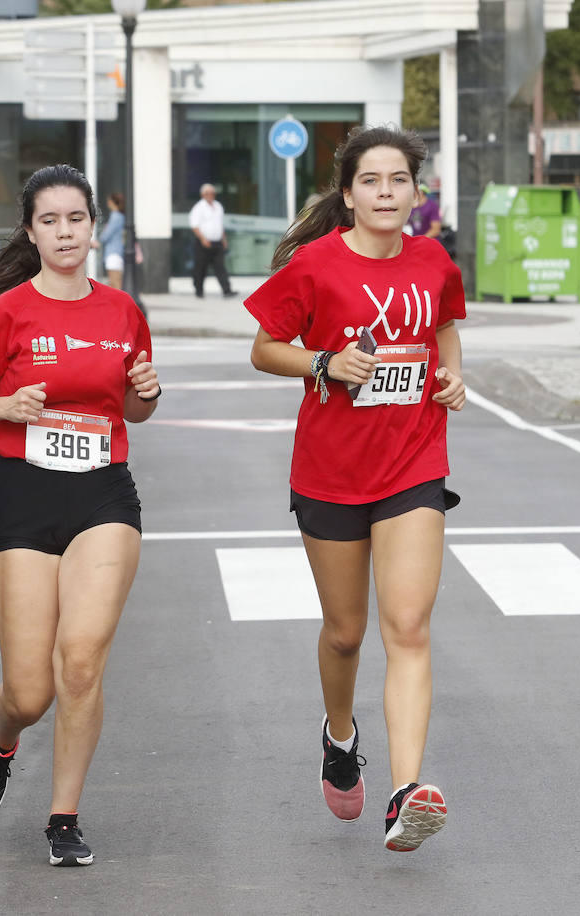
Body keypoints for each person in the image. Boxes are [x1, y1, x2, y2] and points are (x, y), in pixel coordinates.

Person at [245, 125, 466, 853]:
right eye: (371, 181)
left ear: (415, 191)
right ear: (347, 194)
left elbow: (442, 330)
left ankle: (406, 791)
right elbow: (264, 348)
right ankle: (339, 737)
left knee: (409, 627)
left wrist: (452, 375)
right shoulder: (315, 266)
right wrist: (322, 364)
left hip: (413, 466)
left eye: (398, 180)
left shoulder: (434, 260)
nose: (385, 193)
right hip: (331, 473)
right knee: (345, 632)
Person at [0, 164, 160, 867]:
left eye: (76, 219)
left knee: (82, 662)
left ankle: (63, 818)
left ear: (93, 226)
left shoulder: (123, 311)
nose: (65, 232)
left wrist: (146, 392)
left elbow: (133, 407)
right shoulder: (8, 312)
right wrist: (2, 407)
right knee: (31, 691)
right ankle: (2, 735)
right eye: (50, 221)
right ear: (31, 232)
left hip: (102, 495)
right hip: (25, 495)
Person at [189, 182, 236, 298]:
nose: (211, 195)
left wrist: (224, 239)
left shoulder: (218, 206)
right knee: (201, 268)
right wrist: (203, 239)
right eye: (208, 193)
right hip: (203, 242)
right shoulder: (198, 208)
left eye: (212, 193)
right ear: (203, 194)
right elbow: (195, 226)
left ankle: (227, 290)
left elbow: (220, 224)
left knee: (220, 267)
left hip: (217, 242)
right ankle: (199, 291)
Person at [94, 192, 126, 288]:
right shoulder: (120, 216)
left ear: (113, 202)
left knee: (115, 284)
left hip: (113, 254)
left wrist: (99, 241)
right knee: (113, 283)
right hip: (116, 253)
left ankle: (118, 303)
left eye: (109, 201)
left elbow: (107, 234)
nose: (108, 203)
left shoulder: (116, 216)